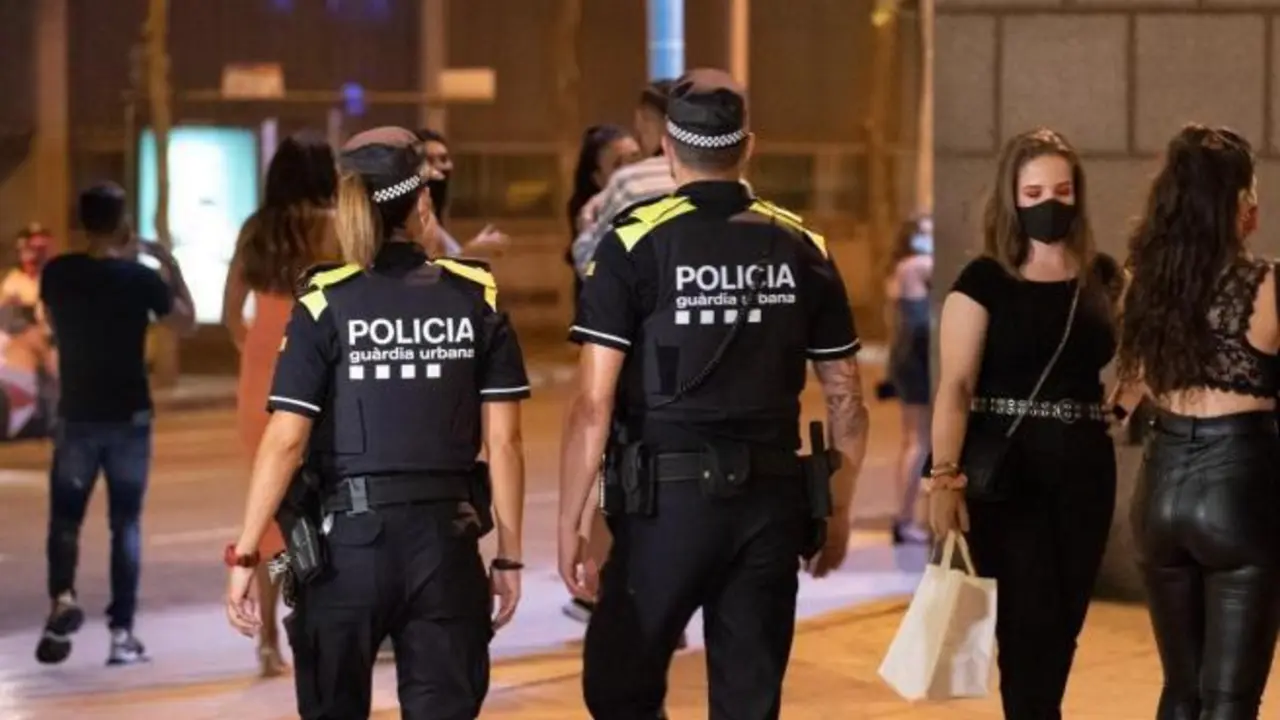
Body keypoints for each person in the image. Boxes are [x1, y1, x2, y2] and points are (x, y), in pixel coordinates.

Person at [559, 69, 869, 719]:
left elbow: (593, 404)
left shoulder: (633, 243)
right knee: (748, 700)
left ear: (667, 150)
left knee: (620, 685)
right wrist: (837, 510)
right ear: (748, 146)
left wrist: (569, 522)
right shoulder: (802, 245)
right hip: (770, 506)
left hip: (663, 510)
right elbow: (846, 393)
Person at [224, 135, 530, 720]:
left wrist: (245, 557)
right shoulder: (474, 298)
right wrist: (510, 558)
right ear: (422, 206)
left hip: (345, 556)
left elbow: (286, 441)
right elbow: (505, 442)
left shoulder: (322, 303)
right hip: (446, 547)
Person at [926, 128, 1119, 718]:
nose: (1050, 204)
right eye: (1034, 191)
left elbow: (1144, 349)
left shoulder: (1103, 277)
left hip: (1085, 467)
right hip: (1009, 474)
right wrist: (943, 477)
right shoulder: (983, 282)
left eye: (1062, 190)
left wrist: (1127, 400)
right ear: (1012, 197)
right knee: (1027, 625)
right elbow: (955, 386)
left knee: (1063, 626)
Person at [1118, 124, 1280, 720]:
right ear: (1238, 204)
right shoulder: (1267, 285)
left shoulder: (1147, 283)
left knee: (1181, 691)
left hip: (1159, 490)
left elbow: (1132, 385)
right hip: (1239, 491)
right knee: (1230, 701)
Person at [36, 182, 196, 666]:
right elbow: (185, 322)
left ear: (81, 222)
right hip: (129, 415)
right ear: (123, 222)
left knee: (66, 519)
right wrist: (168, 264)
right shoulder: (139, 278)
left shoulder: (58, 274)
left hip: (77, 414)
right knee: (123, 524)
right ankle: (121, 634)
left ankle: (63, 597)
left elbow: (50, 322)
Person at [222, 131, 338, 677]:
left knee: (269, 512)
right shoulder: (335, 227)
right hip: (321, 371)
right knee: (324, 507)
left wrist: (261, 349)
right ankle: (317, 624)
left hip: (261, 376)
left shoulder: (256, 230)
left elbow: (229, 314)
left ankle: (268, 641)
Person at [560, 123, 642, 624]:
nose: (631, 168)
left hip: (628, 353)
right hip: (608, 352)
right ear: (597, 170)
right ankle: (594, 586)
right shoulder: (596, 210)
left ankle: (601, 586)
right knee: (613, 473)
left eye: (637, 156)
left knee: (621, 477)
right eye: (620, 161)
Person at [569, 79, 678, 277]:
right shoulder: (726, 181)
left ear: (646, 121)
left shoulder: (631, 183)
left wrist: (586, 228)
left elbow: (592, 267)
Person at [883, 216, 933, 545]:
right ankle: (904, 518)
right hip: (917, 360)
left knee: (914, 440)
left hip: (906, 358)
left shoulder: (898, 270)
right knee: (918, 441)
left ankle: (906, 517)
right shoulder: (916, 266)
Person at [566, 124, 642, 303]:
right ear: (598, 179)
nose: (630, 171)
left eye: (635, 158)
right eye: (618, 165)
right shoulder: (591, 221)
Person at [413, 128, 509, 259]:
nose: (439, 167)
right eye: (429, 160)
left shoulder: (433, 219)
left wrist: (476, 247)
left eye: (443, 159)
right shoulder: (413, 221)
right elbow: (425, 275)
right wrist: (473, 250)